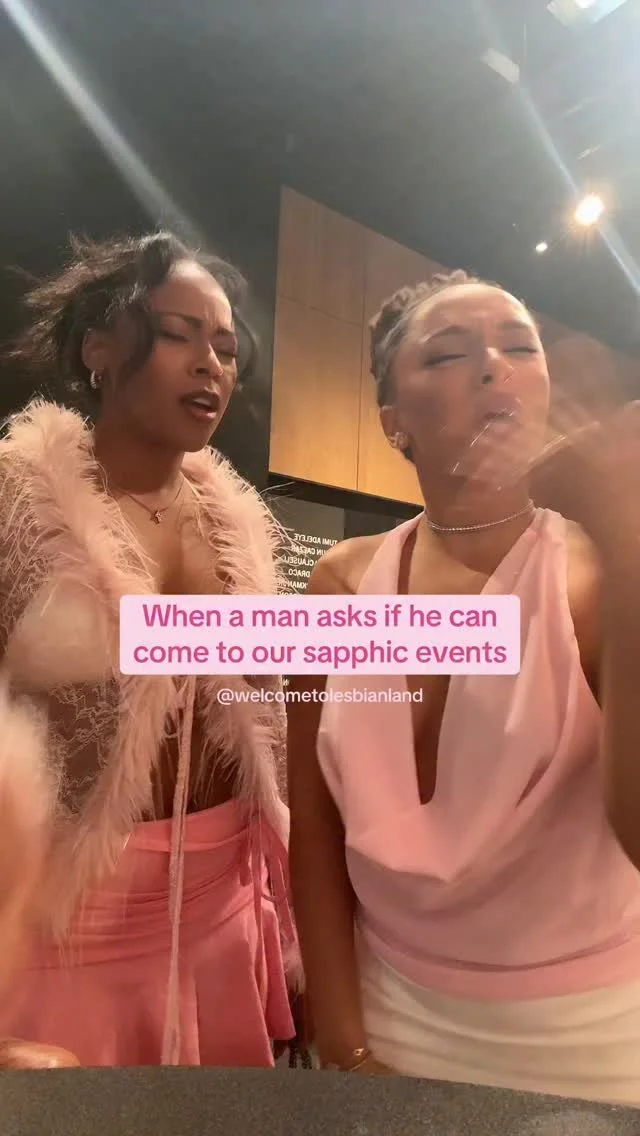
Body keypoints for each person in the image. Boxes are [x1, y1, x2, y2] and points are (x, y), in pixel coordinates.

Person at [288, 269, 640, 1105]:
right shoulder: (340, 584)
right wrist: (344, 1044)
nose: (493, 367)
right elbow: (315, 834)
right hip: (387, 1014)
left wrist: (627, 544)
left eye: (520, 348)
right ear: (394, 423)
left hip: (595, 1041)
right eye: (448, 355)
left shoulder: (601, 574)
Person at [0, 231, 300, 1067]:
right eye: (178, 334)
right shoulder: (14, 506)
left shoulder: (242, 529)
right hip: (60, 932)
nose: (211, 364)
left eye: (227, 348)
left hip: (222, 920)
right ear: (97, 348)